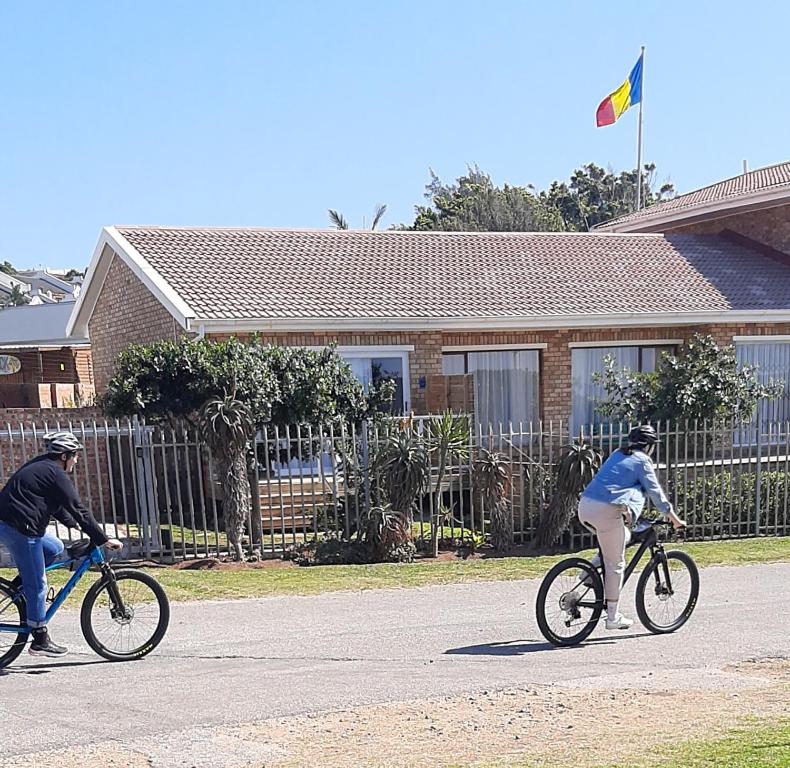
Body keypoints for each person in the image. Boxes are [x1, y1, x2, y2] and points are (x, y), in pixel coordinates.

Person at [0, 431, 123, 657]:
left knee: (55, 548)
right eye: (74, 455)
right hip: (19, 529)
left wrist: (75, 526)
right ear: (64, 456)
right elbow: (78, 508)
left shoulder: (43, 467)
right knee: (38, 585)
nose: (77, 459)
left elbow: (57, 505)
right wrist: (103, 538)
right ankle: (40, 639)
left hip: (15, 524)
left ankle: (17, 588)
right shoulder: (55, 473)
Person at [578, 425, 685, 631]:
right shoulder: (642, 461)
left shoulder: (617, 454)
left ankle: (588, 574)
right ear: (649, 446)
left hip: (586, 506)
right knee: (616, 564)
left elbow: (614, 483)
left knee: (621, 538)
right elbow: (655, 493)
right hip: (606, 510)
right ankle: (612, 617)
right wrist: (674, 519)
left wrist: (627, 507)